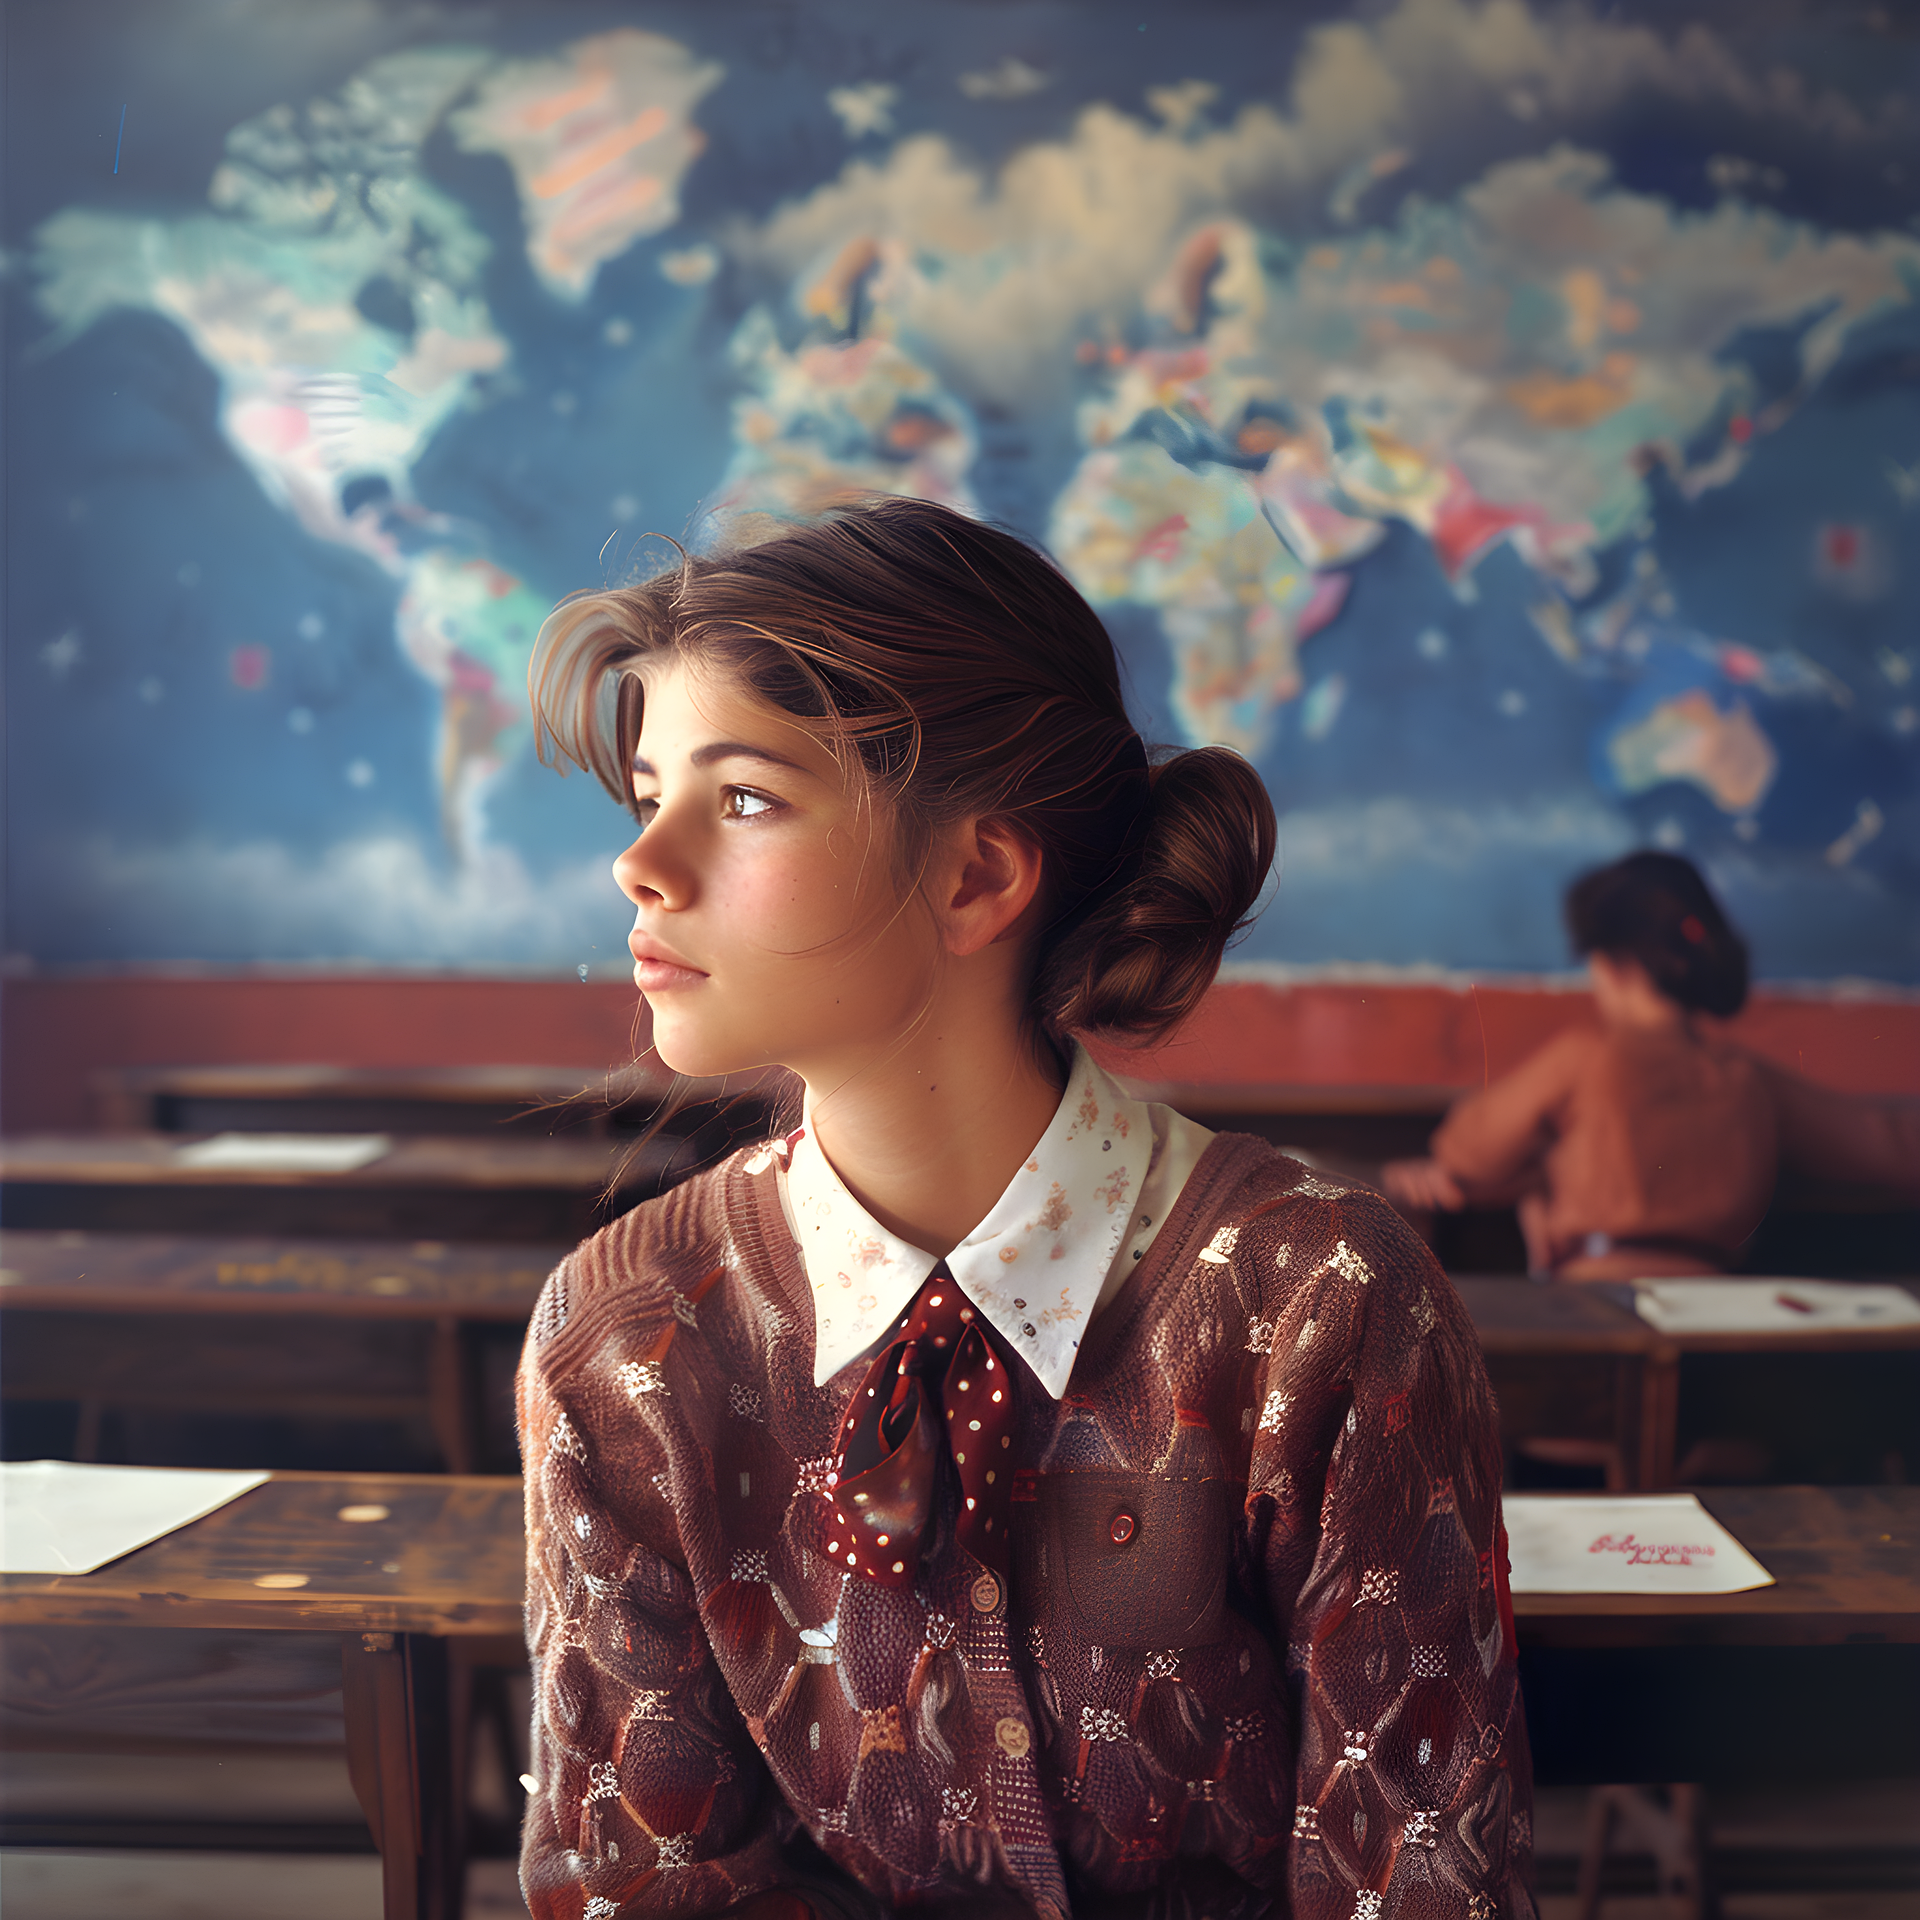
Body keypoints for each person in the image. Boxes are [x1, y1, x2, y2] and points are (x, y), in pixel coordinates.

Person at [516, 498, 1534, 1920]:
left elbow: (1418, 1871)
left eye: (742, 797)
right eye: (646, 794)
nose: (643, 862)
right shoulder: (627, 1336)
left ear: (978, 873)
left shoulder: (1323, 1301)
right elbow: (640, 1882)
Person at [1382, 851, 1920, 1282]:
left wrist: (1543, 1167)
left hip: (1599, 1305)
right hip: (1722, 1321)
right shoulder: (1747, 1077)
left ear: (1612, 964)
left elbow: (1465, 1153)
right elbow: (1892, 1146)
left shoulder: (1585, 1056)